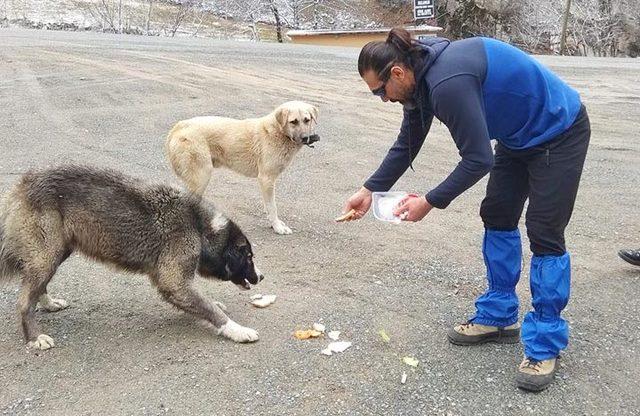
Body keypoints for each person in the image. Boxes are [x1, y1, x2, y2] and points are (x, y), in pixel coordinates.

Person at [342, 28, 590, 392]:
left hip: (559, 130)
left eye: (380, 91)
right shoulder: (418, 78)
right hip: (517, 137)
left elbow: (477, 159)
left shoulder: (447, 83)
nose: (382, 99)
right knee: (497, 214)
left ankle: (545, 343)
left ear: (396, 73)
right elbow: (406, 145)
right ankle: (500, 315)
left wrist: (429, 201)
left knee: (544, 229)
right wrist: (368, 190)